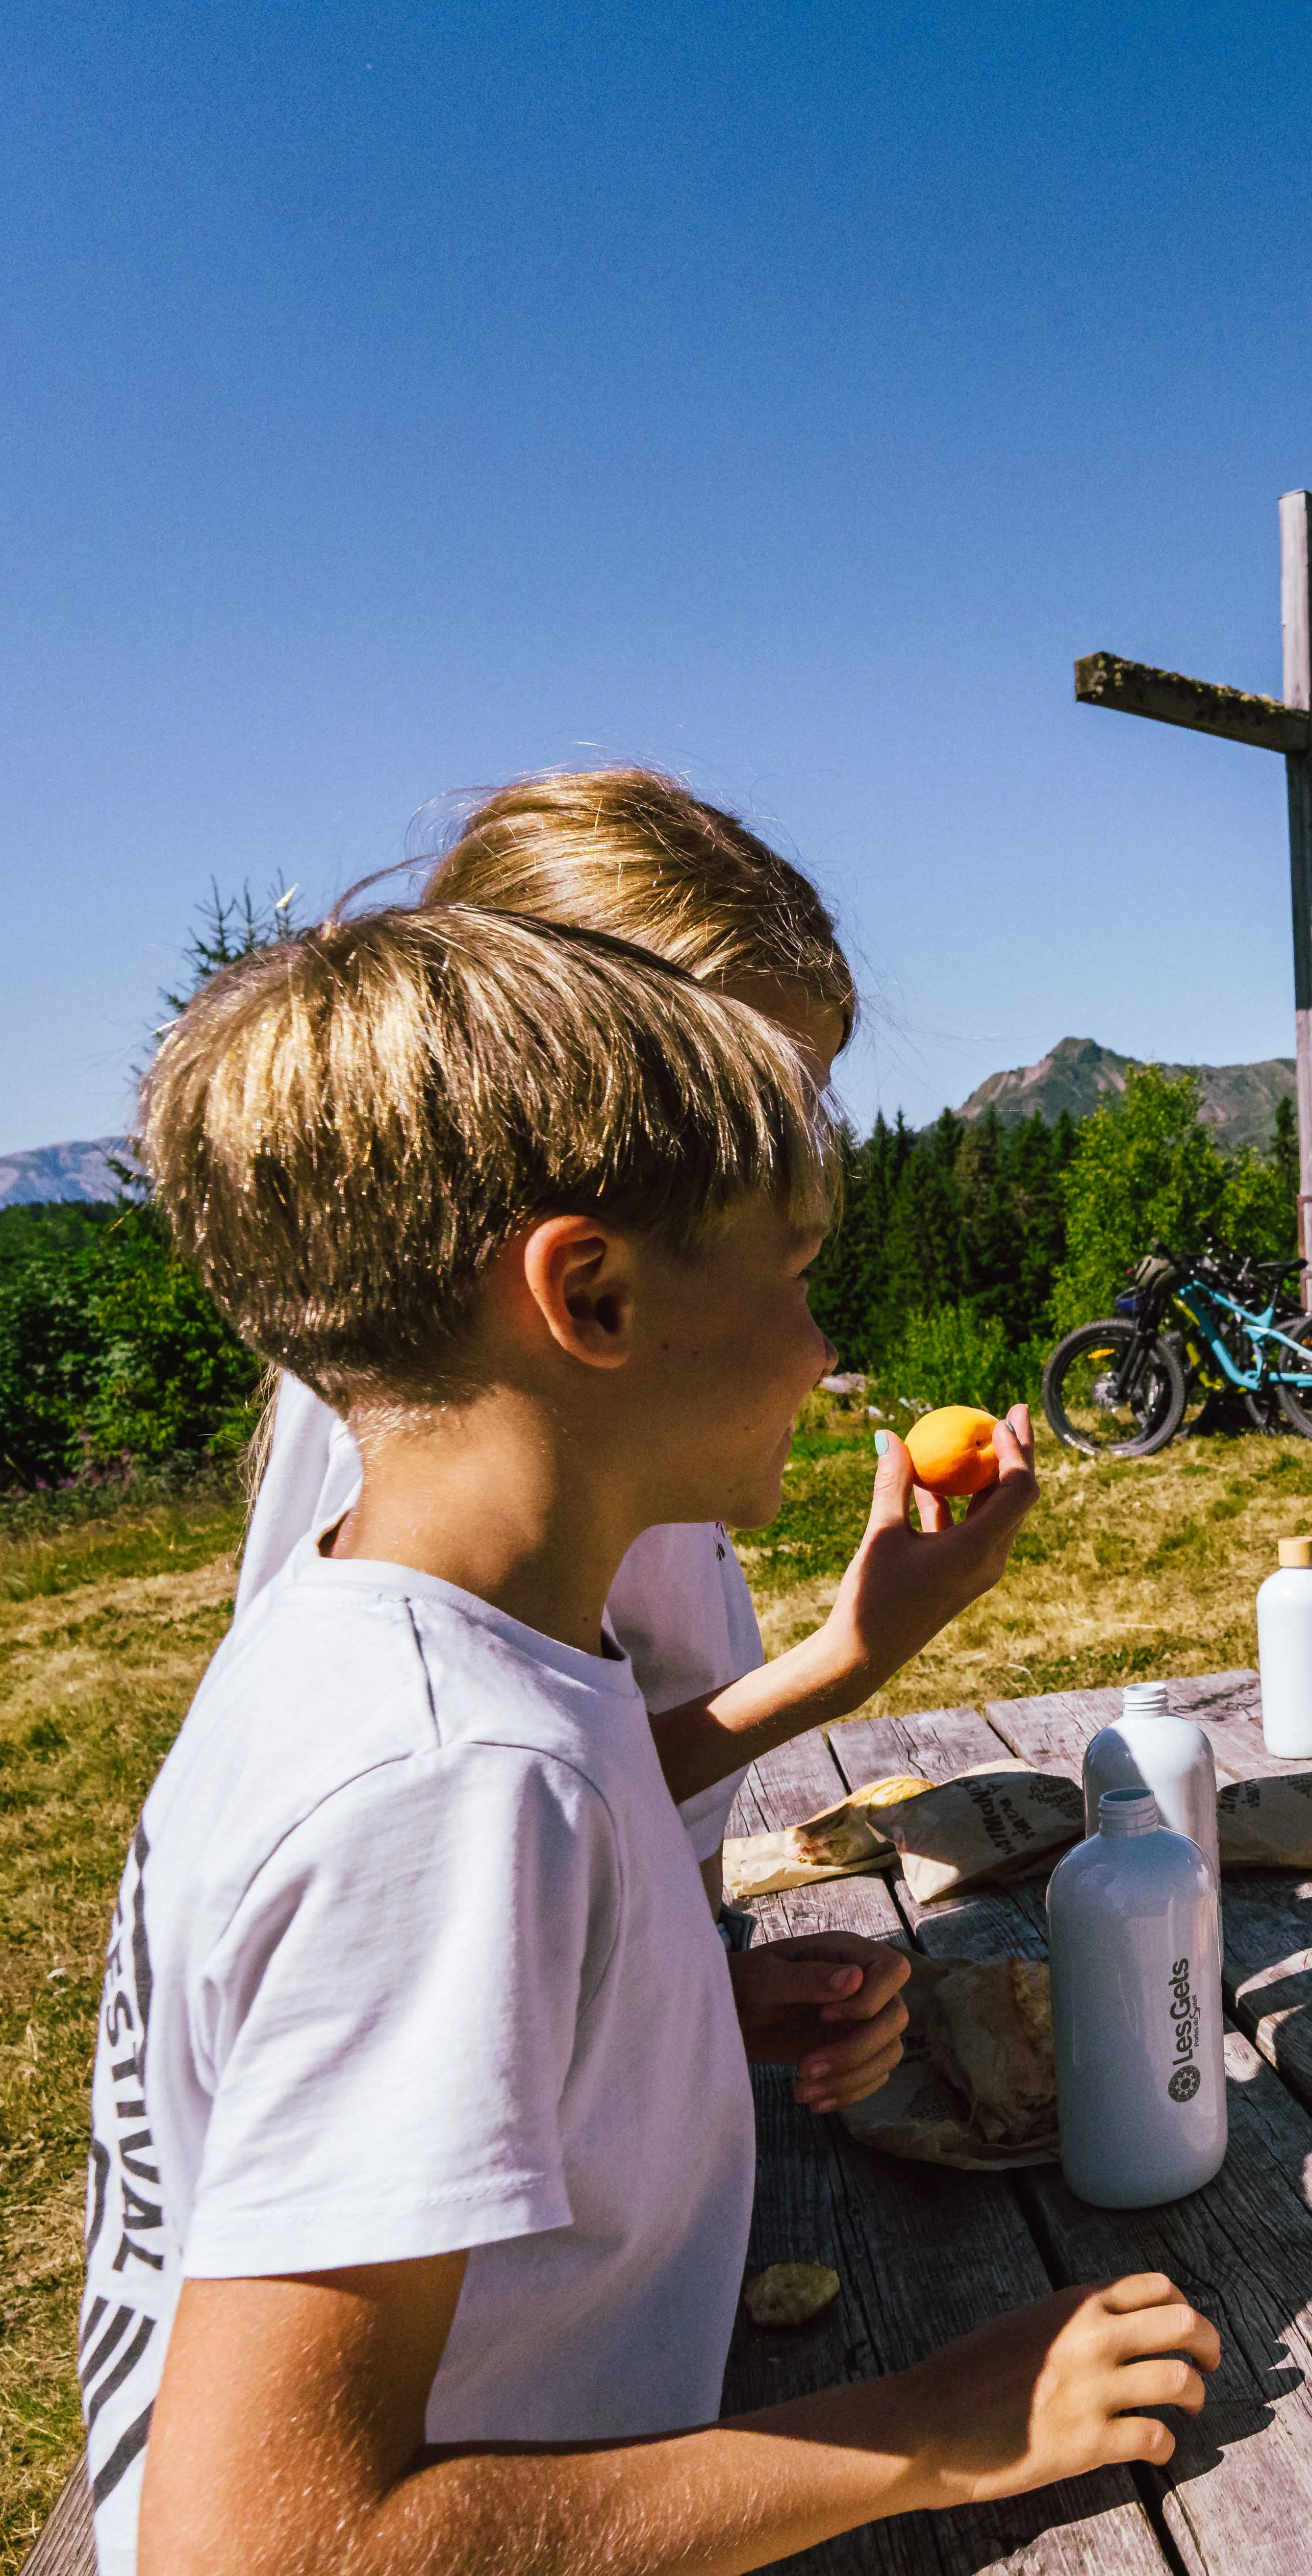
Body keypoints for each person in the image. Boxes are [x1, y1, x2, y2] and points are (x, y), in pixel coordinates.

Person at [92, 907, 1219, 2576]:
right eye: (791, 1279)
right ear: (587, 1296)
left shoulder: (450, 1655)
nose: (825, 1350)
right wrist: (930, 2431)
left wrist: (665, 2044)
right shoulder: (453, 1779)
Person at [235, 767, 1028, 1913]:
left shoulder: (608, 1389)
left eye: (796, 1102)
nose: (775, 1152)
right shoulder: (461, 1447)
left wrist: (709, 2005)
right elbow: (505, 1813)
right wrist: (845, 1662)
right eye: (740, 1104)